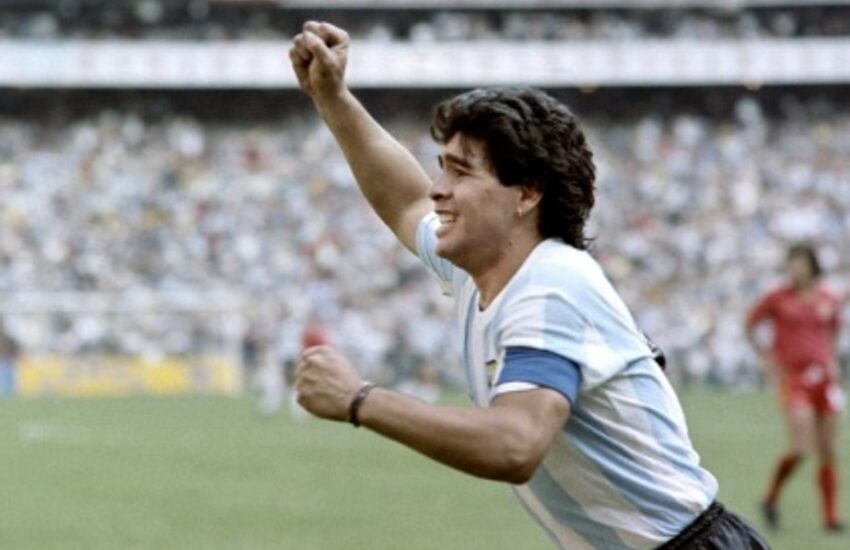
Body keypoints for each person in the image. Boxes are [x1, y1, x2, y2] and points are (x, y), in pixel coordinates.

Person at [290, 21, 768, 549]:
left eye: (461, 173)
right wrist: (332, 98)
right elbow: (404, 200)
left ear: (526, 194)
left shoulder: (549, 286)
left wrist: (360, 399)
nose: (438, 189)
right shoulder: (482, 269)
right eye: (441, 169)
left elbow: (515, 445)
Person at [747, 244, 844, 532]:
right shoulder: (777, 297)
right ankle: (770, 498)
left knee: (828, 449)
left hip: (823, 379)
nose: (795, 269)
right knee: (802, 447)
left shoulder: (827, 298)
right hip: (794, 379)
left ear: (812, 266)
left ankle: (830, 518)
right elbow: (750, 323)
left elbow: (833, 330)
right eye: (791, 264)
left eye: (800, 264)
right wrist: (764, 357)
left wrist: (832, 361)